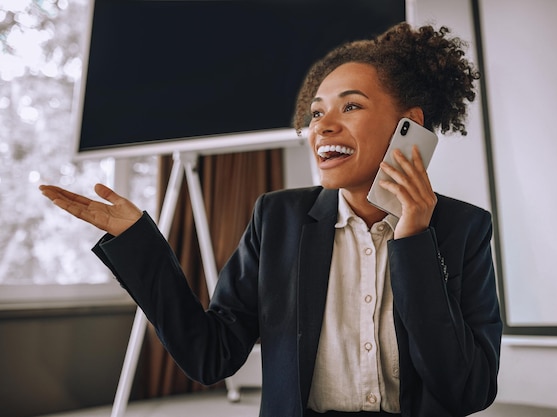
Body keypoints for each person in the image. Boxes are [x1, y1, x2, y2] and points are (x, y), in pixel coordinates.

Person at [40, 22, 502, 417]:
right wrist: (137, 241)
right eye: (317, 111)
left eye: (351, 106)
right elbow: (211, 355)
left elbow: (468, 391)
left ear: (410, 125)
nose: (322, 125)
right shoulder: (276, 219)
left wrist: (415, 239)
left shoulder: (465, 230)